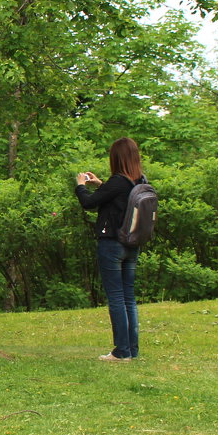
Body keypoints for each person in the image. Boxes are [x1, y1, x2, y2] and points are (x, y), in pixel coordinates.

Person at [74, 137, 147, 361]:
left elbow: (89, 203)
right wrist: (100, 184)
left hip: (112, 244)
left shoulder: (118, 181)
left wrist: (80, 186)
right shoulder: (140, 181)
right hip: (132, 243)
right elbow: (116, 198)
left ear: (116, 158)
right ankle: (131, 350)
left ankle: (121, 352)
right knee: (128, 298)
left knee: (116, 297)